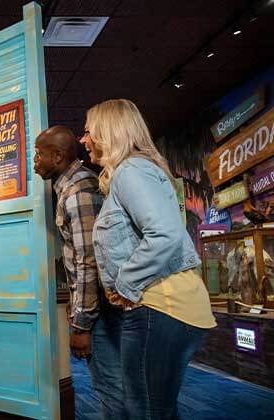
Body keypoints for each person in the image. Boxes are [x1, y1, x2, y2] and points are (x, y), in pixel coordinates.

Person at [80, 98, 216, 419]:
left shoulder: (131, 171)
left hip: (160, 306)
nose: (82, 139)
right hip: (169, 306)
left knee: (144, 411)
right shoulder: (135, 171)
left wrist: (124, 284)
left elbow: (165, 234)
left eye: (88, 131)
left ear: (108, 131)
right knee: (157, 410)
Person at [34, 126, 111, 412]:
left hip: (102, 313)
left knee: (109, 390)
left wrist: (81, 324)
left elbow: (89, 260)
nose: (35, 160)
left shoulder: (78, 191)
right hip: (99, 311)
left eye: (39, 154)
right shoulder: (72, 186)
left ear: (57, 156)